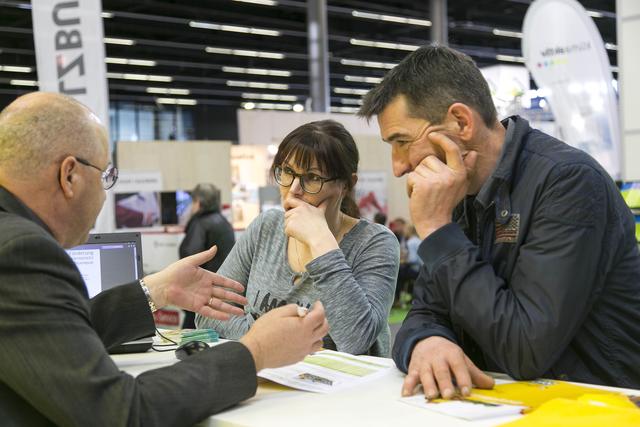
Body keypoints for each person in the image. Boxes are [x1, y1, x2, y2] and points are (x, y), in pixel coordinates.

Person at [0, 92, 329, 426]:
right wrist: (255, 351)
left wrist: (152, 290)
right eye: (105, 178)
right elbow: (121, 412)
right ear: (69, 176)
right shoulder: (21, 250)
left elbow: (53, 336)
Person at [358, 44, 640, 398]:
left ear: (461, 122)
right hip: (500, 405)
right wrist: (425, 341)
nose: (397, 166)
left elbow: (525, 350)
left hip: (594, 406)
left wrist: (438, 231)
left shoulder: (568, 182)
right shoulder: (455, 192)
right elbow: (424, 313)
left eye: (401, 142)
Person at [197, 120, 399, 356]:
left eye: (312, 177)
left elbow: (355, 341)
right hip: (269, 381)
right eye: (288, 172)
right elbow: (209, 311)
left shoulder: (374, 243)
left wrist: (320, 241)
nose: (294, 189)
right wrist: (266, 344)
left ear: (346, 185)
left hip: (339, 390)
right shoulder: (267, 227)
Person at [180, 183, 236, 328]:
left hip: (200, 293)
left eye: (192, 202)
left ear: (198, 202)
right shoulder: (224, 222)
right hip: (221, 293)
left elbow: (190, 258)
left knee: (189, 338)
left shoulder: (200, 224)